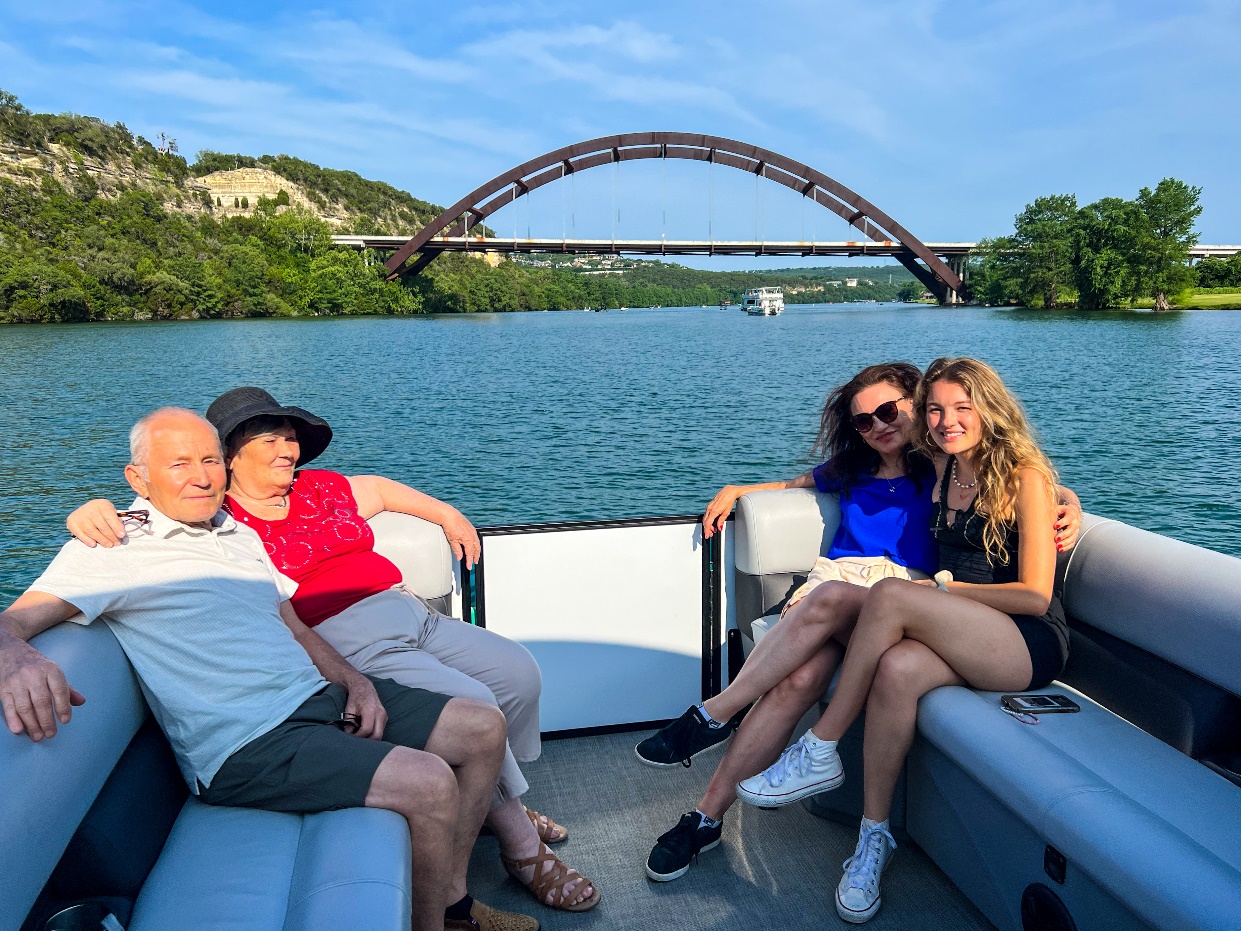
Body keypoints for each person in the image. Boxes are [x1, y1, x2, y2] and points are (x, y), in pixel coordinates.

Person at [66, 388, 597, 913]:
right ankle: (518, 843)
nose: (287, 449)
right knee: (473, 698)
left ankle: (502, 800)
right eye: (270, 439)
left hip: (407, 611)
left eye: (291, 437)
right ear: (232, 459)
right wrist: (90, 512)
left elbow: (382, 491)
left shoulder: (312, 492)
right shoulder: (218, 513)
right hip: (344, 638)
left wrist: (449, 515)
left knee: (518, 674)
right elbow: (151, 510)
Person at [635, 362, 1081, 888]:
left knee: (860, 617)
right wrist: (740, 489)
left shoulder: (935, 461)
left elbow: (1024, 486)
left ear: (914, 406)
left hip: (920, 604)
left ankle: (728, 721)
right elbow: (796, 481)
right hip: (877, 607)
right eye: (865, 422)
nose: (880, 425)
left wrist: (1067, 502)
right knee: (809, 676)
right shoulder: (888, 466)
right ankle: (710, 817)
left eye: (892, 411)